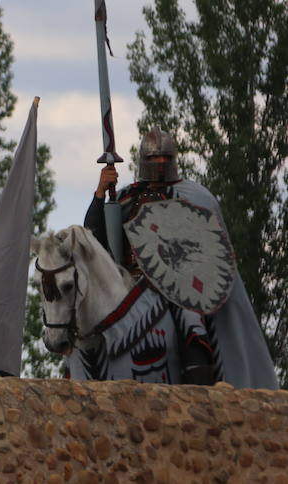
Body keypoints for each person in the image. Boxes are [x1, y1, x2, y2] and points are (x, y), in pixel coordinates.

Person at [83, 127, 278, 389]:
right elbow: (93, 237)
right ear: (143, 161)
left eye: (165, 157)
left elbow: (213, 250)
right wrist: (100, 193)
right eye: (153, 159)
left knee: (191, 317)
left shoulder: (196, 197)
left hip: (177, 286)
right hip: (132, 285)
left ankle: (199, 386)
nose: (160, 163)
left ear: (174, 159)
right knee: (85, 319)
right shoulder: (127, 196)